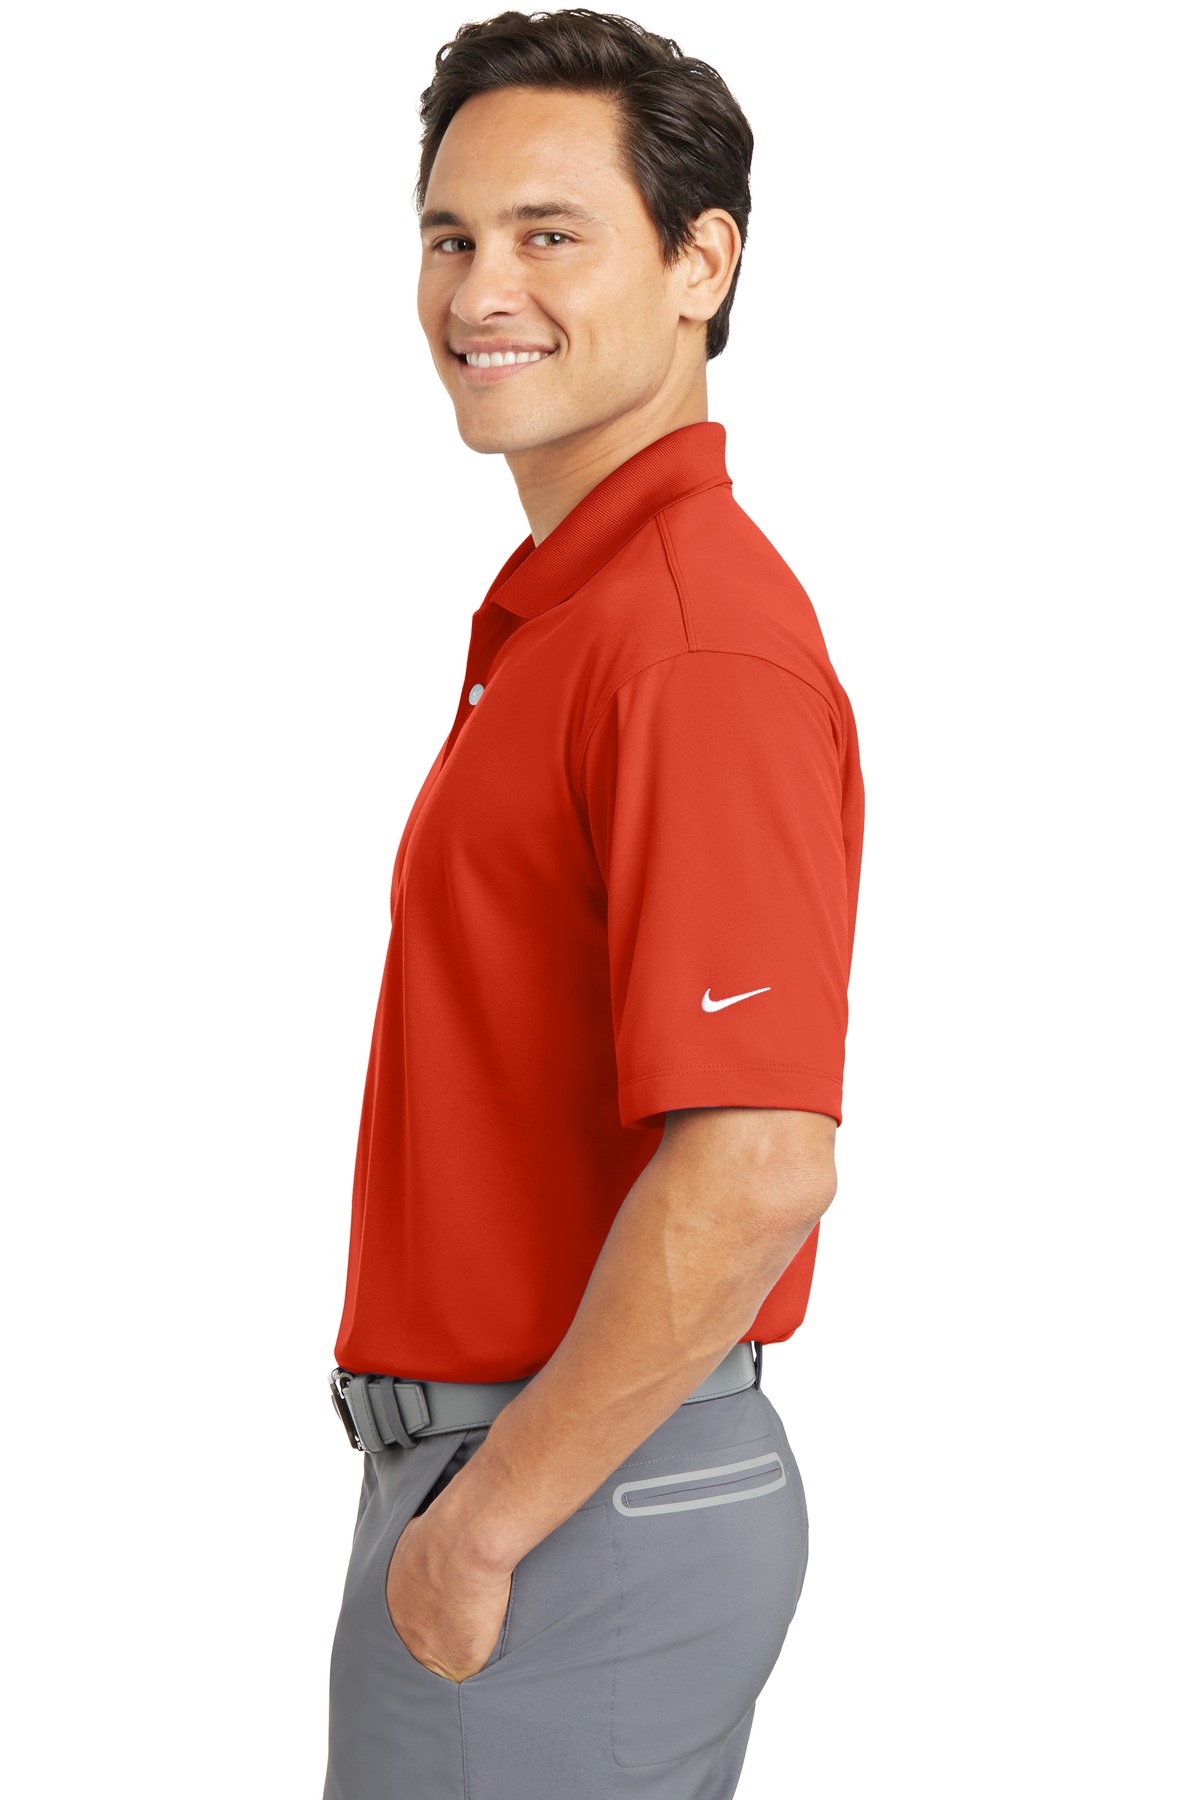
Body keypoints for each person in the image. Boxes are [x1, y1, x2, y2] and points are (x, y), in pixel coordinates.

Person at [322, 10, 865, 1797]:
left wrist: (484, 1530)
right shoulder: (582, 610)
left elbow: (760, 1162)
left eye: (550, 233)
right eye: (450, 235)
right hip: (541, 1483)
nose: (482, 289)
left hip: (566, 1502)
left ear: (703, 263)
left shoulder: (688, 644)